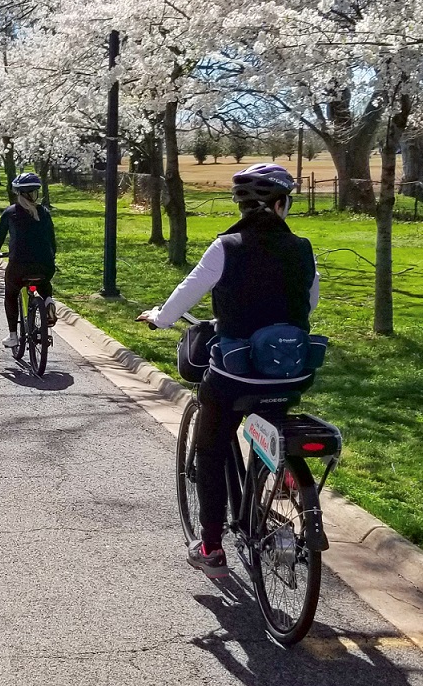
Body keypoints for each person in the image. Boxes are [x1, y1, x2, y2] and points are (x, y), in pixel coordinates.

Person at [136, 163, 319, 579]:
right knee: (270, 415)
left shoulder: (226, 246)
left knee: (212, 449)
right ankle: (283, 479)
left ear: (243, 205)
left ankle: (212, 548)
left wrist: (160, 318)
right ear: (280, 204)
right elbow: (309, 304)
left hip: (237, 375)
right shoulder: (303, 247)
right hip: (291, 371)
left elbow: (189, 292)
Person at [0, 173, 57, 349]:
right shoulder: (44, 212)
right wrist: (51, 256)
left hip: (19, 266)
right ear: (36, 193)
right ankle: (48, 302)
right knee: (44, 283)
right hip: (45, 265)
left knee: (10, 294)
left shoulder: (10, 212)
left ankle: (12, 336)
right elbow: (51, 239)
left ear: (18, 193)